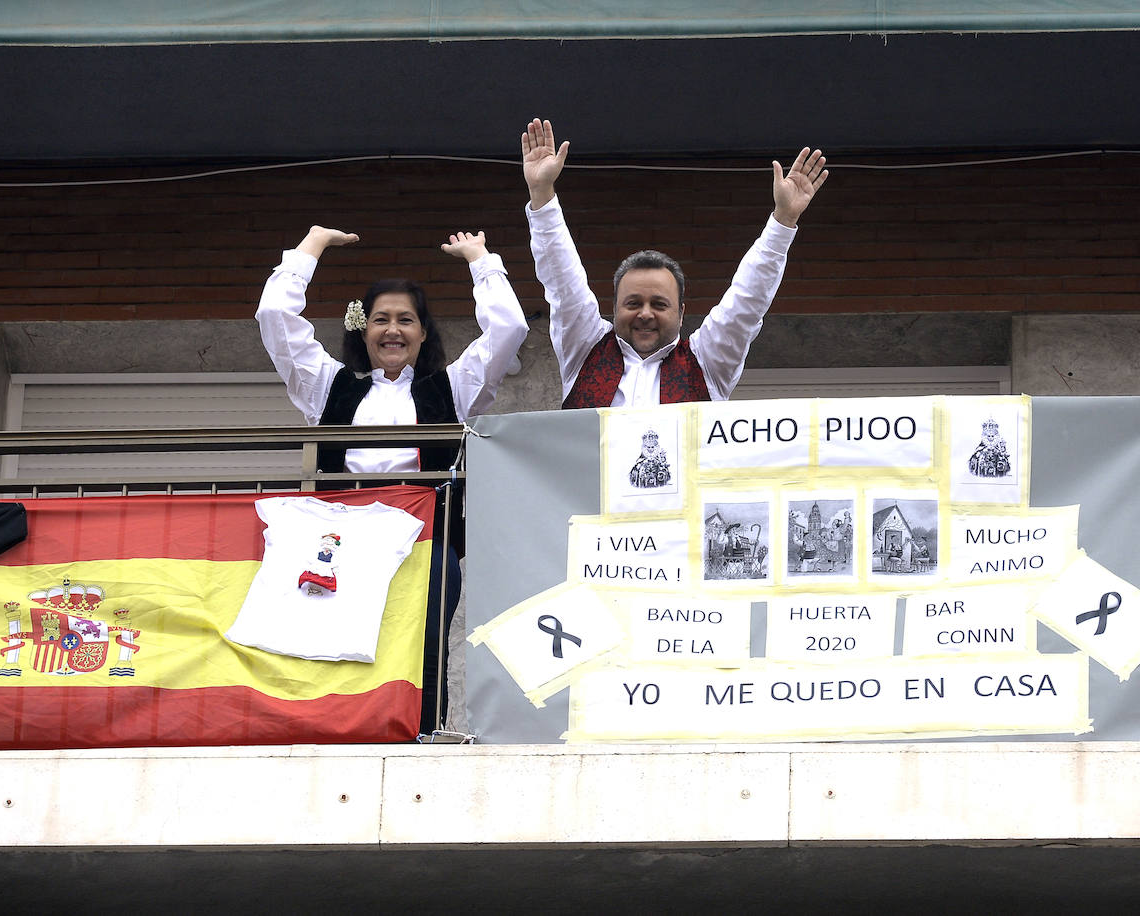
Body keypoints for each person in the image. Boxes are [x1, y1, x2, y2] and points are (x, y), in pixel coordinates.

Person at [256, 225, 528, 734]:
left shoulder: (453, 387)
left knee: (421, 648)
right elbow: (274, 317)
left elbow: (509, 329)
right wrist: (310, 246)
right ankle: (334, 732)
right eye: (380, 319)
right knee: (333, 641)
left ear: (424, 332)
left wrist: (480, 259)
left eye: (406, 320)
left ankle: (421, 732)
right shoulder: (327, 384)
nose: (393, 330)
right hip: (340, 544)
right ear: (363, 328)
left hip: (425, 543)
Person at [520, 117, 828, 408]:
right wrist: (541, 192)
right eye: (632, 303)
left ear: (681, 313)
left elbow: (746, 304)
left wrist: (784, 221)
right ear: (614, 310)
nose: (645, 313)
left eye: (659, 304)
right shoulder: (584, 348)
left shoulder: (707, 362)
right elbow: (563, 281)